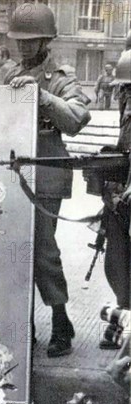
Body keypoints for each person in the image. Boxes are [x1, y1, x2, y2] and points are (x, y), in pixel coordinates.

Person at [4, 3, 91, 357]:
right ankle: (22, 325)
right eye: (19, 41)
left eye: (31, 40)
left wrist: (40, 96)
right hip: (11, 173)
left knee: (42, 250)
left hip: (46, 175)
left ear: (46, 41)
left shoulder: (60, 77)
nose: (23, 47)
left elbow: (77, 117)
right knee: (12, 252)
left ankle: (60, 323)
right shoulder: (6, 73)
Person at [84, 49, 131, 347]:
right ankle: (122, 314)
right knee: (116, 263)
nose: (124, 97)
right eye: (124, 90)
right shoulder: (126, 107)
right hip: (121, 199)